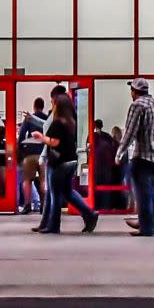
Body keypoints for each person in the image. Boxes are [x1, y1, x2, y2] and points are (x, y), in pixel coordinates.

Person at [32, 94, 97, 233]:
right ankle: (89, 214)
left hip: (59, 162)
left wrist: (41, 137)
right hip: (71, 161)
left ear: (58, 106)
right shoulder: (71, 122)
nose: (52, 106)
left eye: (53, 104)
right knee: (68, 192)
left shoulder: (57, 123)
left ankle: (54, 225)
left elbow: (54, 142)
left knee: (55, 195)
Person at [117, 78, 154, 237]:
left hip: (142, 155)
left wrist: (120, 152)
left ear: (134, 91)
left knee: (141, 193)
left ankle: (147, 227)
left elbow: (130, 132)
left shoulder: (137, 105)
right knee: (148, 188)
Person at [16, 97, 48, 214]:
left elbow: (21, 136)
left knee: (27, 180)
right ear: (43, 106)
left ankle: (27, 205)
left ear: (34, 106)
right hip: (44, 153)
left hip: (30, 154)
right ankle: (43, 206)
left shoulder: (29, 119)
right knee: (43, 180)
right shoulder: (47, 119)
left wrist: (22, 149)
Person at [87, 118, 115, 211]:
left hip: (95, 166)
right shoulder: (107, 137)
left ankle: (96, 206)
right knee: (106, 188)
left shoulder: (91, 136)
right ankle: (105, 207)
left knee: (96, 187)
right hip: (106, 167)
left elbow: (88, 151)